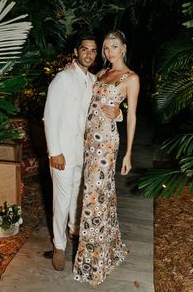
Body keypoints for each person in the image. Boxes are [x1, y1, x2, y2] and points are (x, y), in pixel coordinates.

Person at [43, 33, 121, 272]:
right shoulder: (62, 79)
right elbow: (50, 117)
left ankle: (75, 233)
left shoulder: (93, 81)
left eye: (93, 50)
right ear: (75, 52)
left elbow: (104, 110)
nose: (89, 54)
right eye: (84, 49)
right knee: (62, 200)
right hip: (63, 154)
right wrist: (54, 151)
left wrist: (118, 114)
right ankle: (59, 246)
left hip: (86, 153)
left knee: (79, 197)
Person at [73, 30, 140, 286]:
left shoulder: (130, 78)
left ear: (123, 47)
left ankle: (94, 263)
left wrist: (129, 153)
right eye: (106, 47)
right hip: (90, 142)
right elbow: (90, 105)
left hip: (107, 145)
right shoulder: (101, 74)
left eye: (114, 46)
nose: (109, 51)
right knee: (102, 197)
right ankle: (109, 251)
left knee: (94, 200)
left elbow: (132, 115)